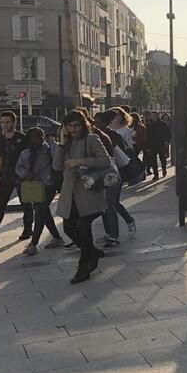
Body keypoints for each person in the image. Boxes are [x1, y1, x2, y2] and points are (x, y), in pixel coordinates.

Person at [54, 110, 110, 283]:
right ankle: (92, 252)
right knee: (69, 228)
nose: (73, 129)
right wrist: (62, 145)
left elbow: (105, 161)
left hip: (89, 191)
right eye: (69, 125)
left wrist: (81, 161)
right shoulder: (65, 143)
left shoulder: (91, 139)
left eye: (76, 125)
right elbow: (56, 166)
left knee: (85, 230)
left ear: (83, 124)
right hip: (70, 194)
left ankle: (84, 267)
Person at [14, 127, 64, 254]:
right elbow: (18, 168)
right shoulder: (25, 153)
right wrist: (27, 174)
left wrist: (52, 142)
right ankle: (57, 238)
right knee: (44, 212)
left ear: (43, 136)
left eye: (39, 136)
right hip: (34, 186)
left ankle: (34, 243)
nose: (37, 139)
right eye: (33, 136)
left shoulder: (48, 149)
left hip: (48, 186)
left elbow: (58, 158)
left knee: (40, 212)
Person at [0, 110, 34, 244]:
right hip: (7, 174)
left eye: (7, 122)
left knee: (26, 204)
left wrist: (29, 175)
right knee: (0, 205)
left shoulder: (22, 138)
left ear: (14, 122)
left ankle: (27, 229)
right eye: (2, 122)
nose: (4, 125)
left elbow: (29, 157)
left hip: (22, 175)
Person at [96, 110, 136, 247]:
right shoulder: (94, 135)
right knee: (107, 205)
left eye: (97, 121)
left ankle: (114, 235)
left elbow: (122, 152)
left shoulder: (109, 136)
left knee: (110, 205)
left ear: (105, 123)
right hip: (100, 173)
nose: (94, 123)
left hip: (113, 172)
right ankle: (110, 232)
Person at [145, 110, 168, 180]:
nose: (153, 118)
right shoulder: (149, 125)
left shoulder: (163, 124)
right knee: (153, 160)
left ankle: (164, 169)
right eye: (152, 116)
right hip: (152, 145)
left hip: (161, 144)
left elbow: (167, 134)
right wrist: (147, 146)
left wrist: (166, 143)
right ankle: (156, 174)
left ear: (158, 116)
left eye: (155, 116)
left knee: (162, 159)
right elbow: (147, 136)